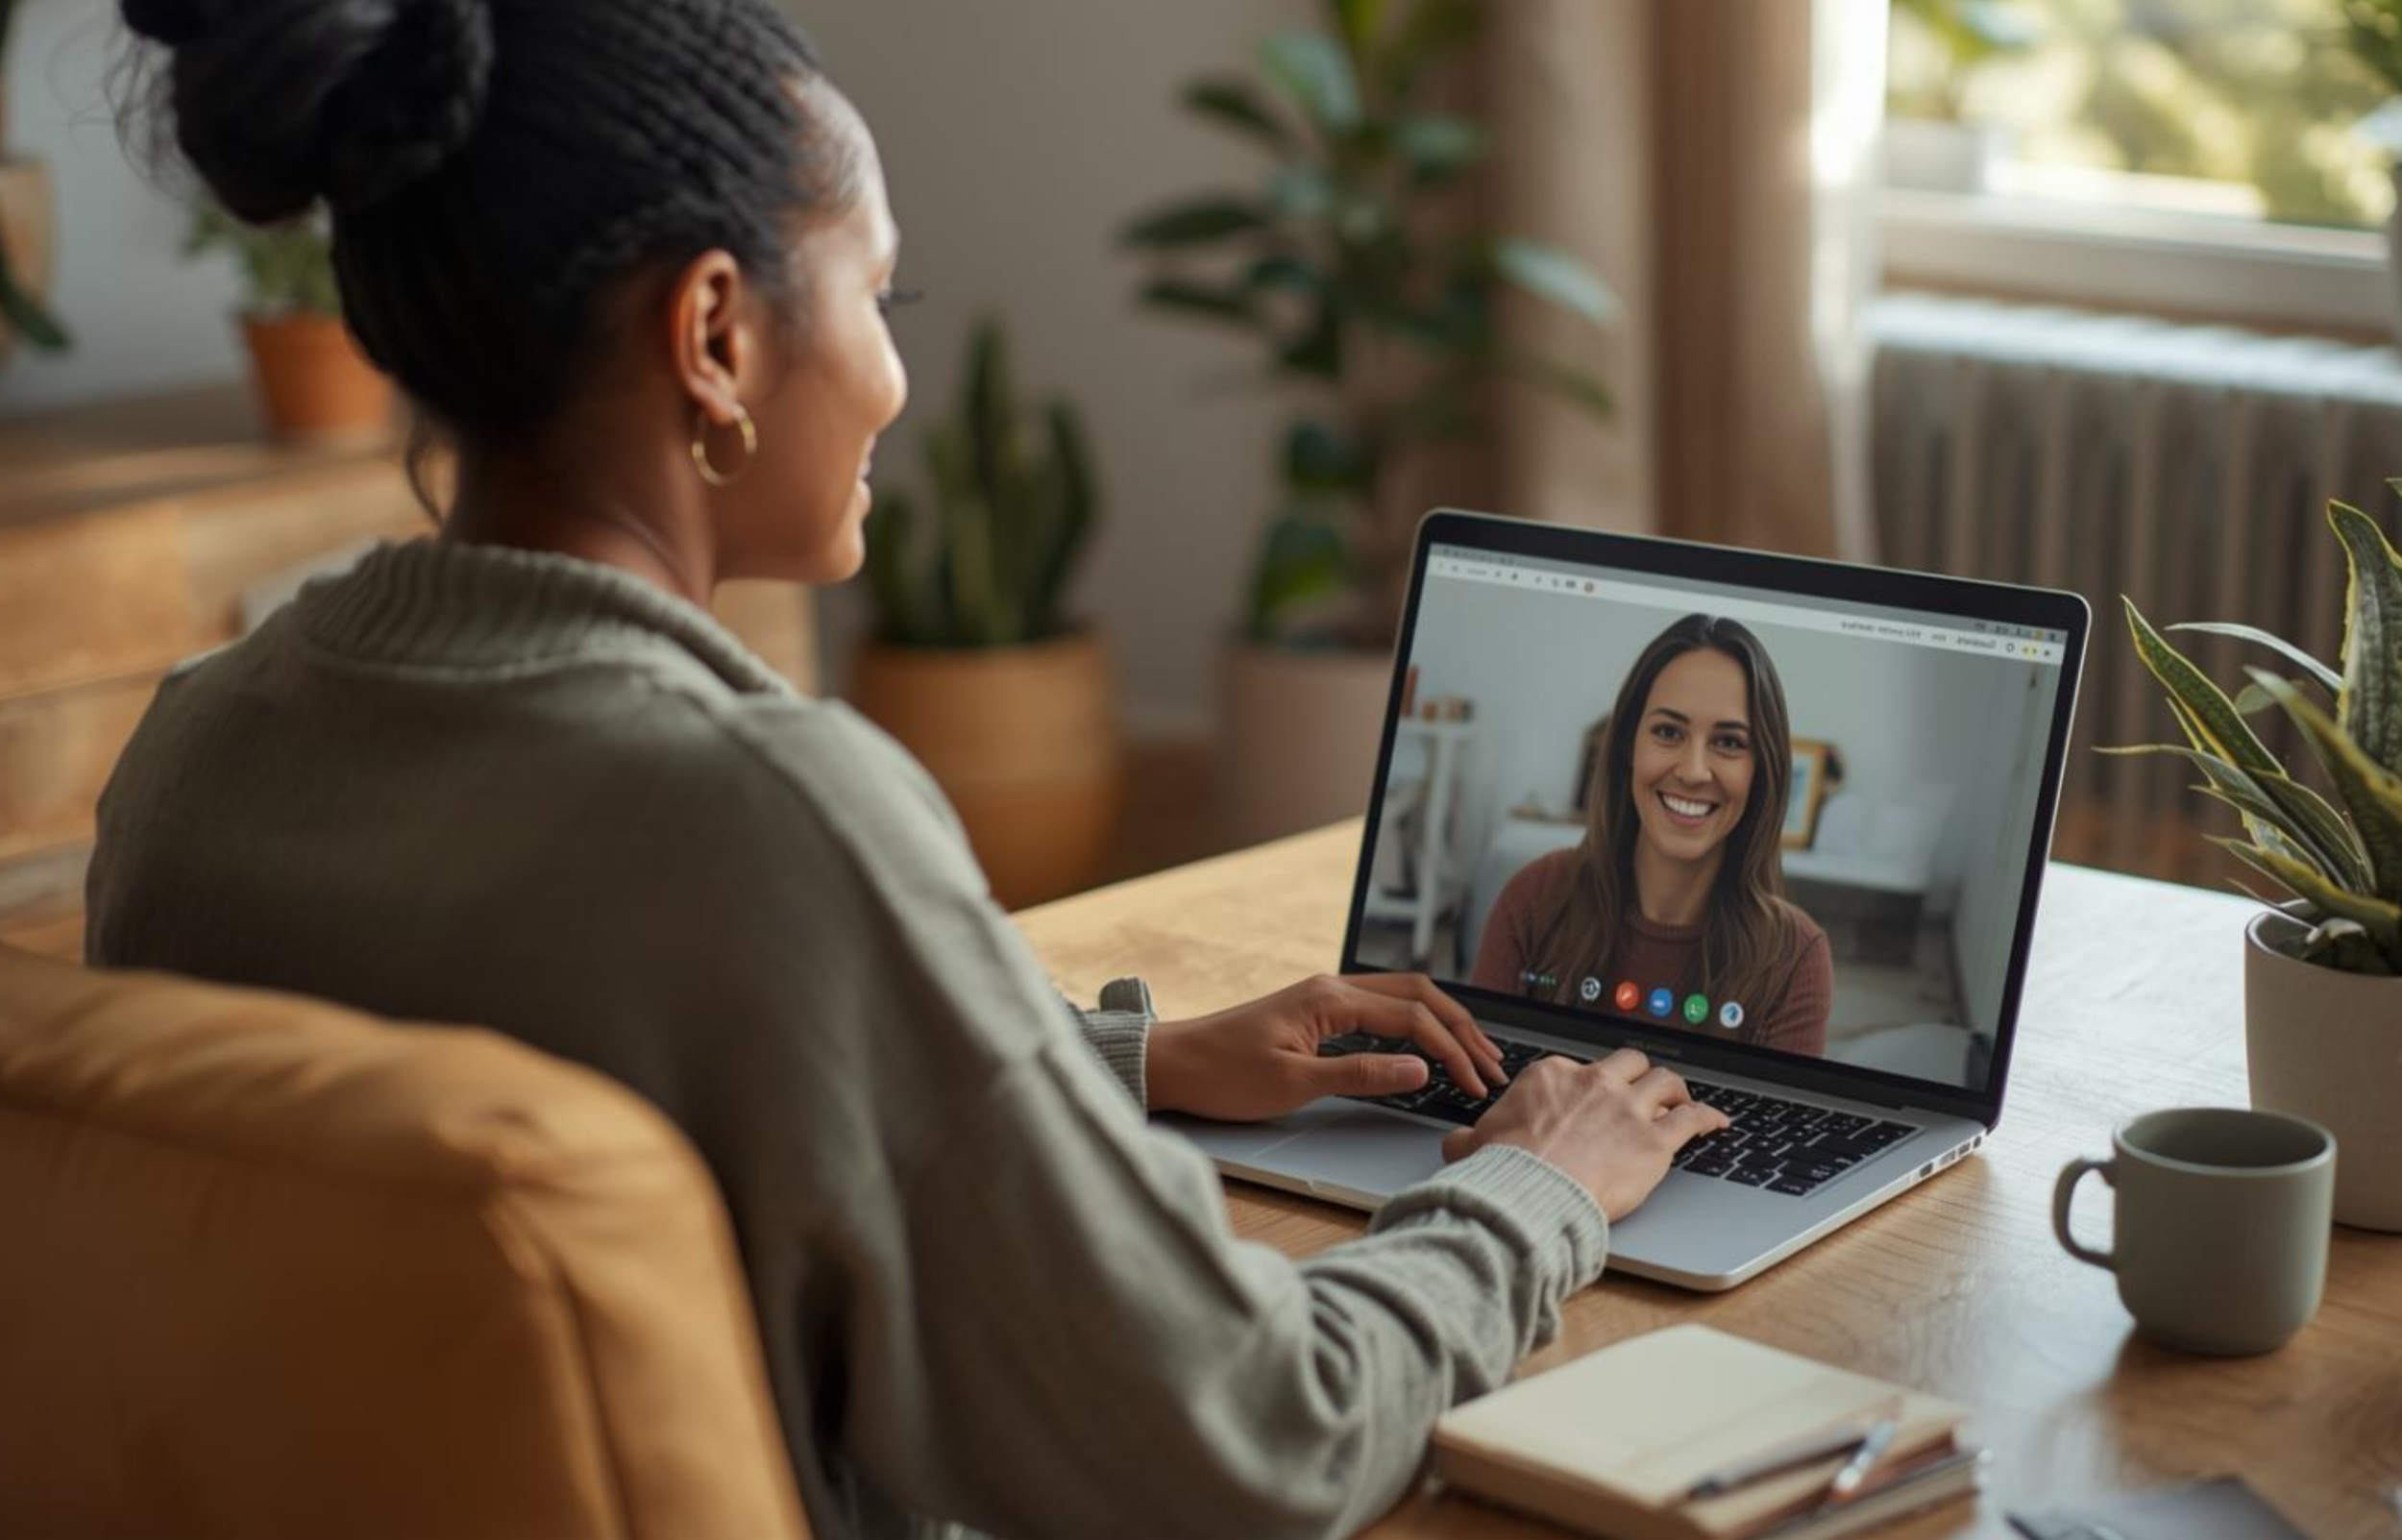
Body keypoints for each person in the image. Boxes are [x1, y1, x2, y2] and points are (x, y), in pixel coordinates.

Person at [87, 4, 1728, 1537]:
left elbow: (621, 1068)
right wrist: (1539, 1178)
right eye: (879, 296)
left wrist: (1115, 1065)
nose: (893, 376)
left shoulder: (196, 749)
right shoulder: (769, 813)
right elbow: (1259, 1440)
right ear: (716, 332)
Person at [1471, 615, 1832, 1057]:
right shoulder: (1534, 897)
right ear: (1629, 746)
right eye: (1668, 732)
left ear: (1760, 771)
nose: (1693, 771)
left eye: (1730, 742)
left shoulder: (1795, 958)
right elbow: (1479, 1086)